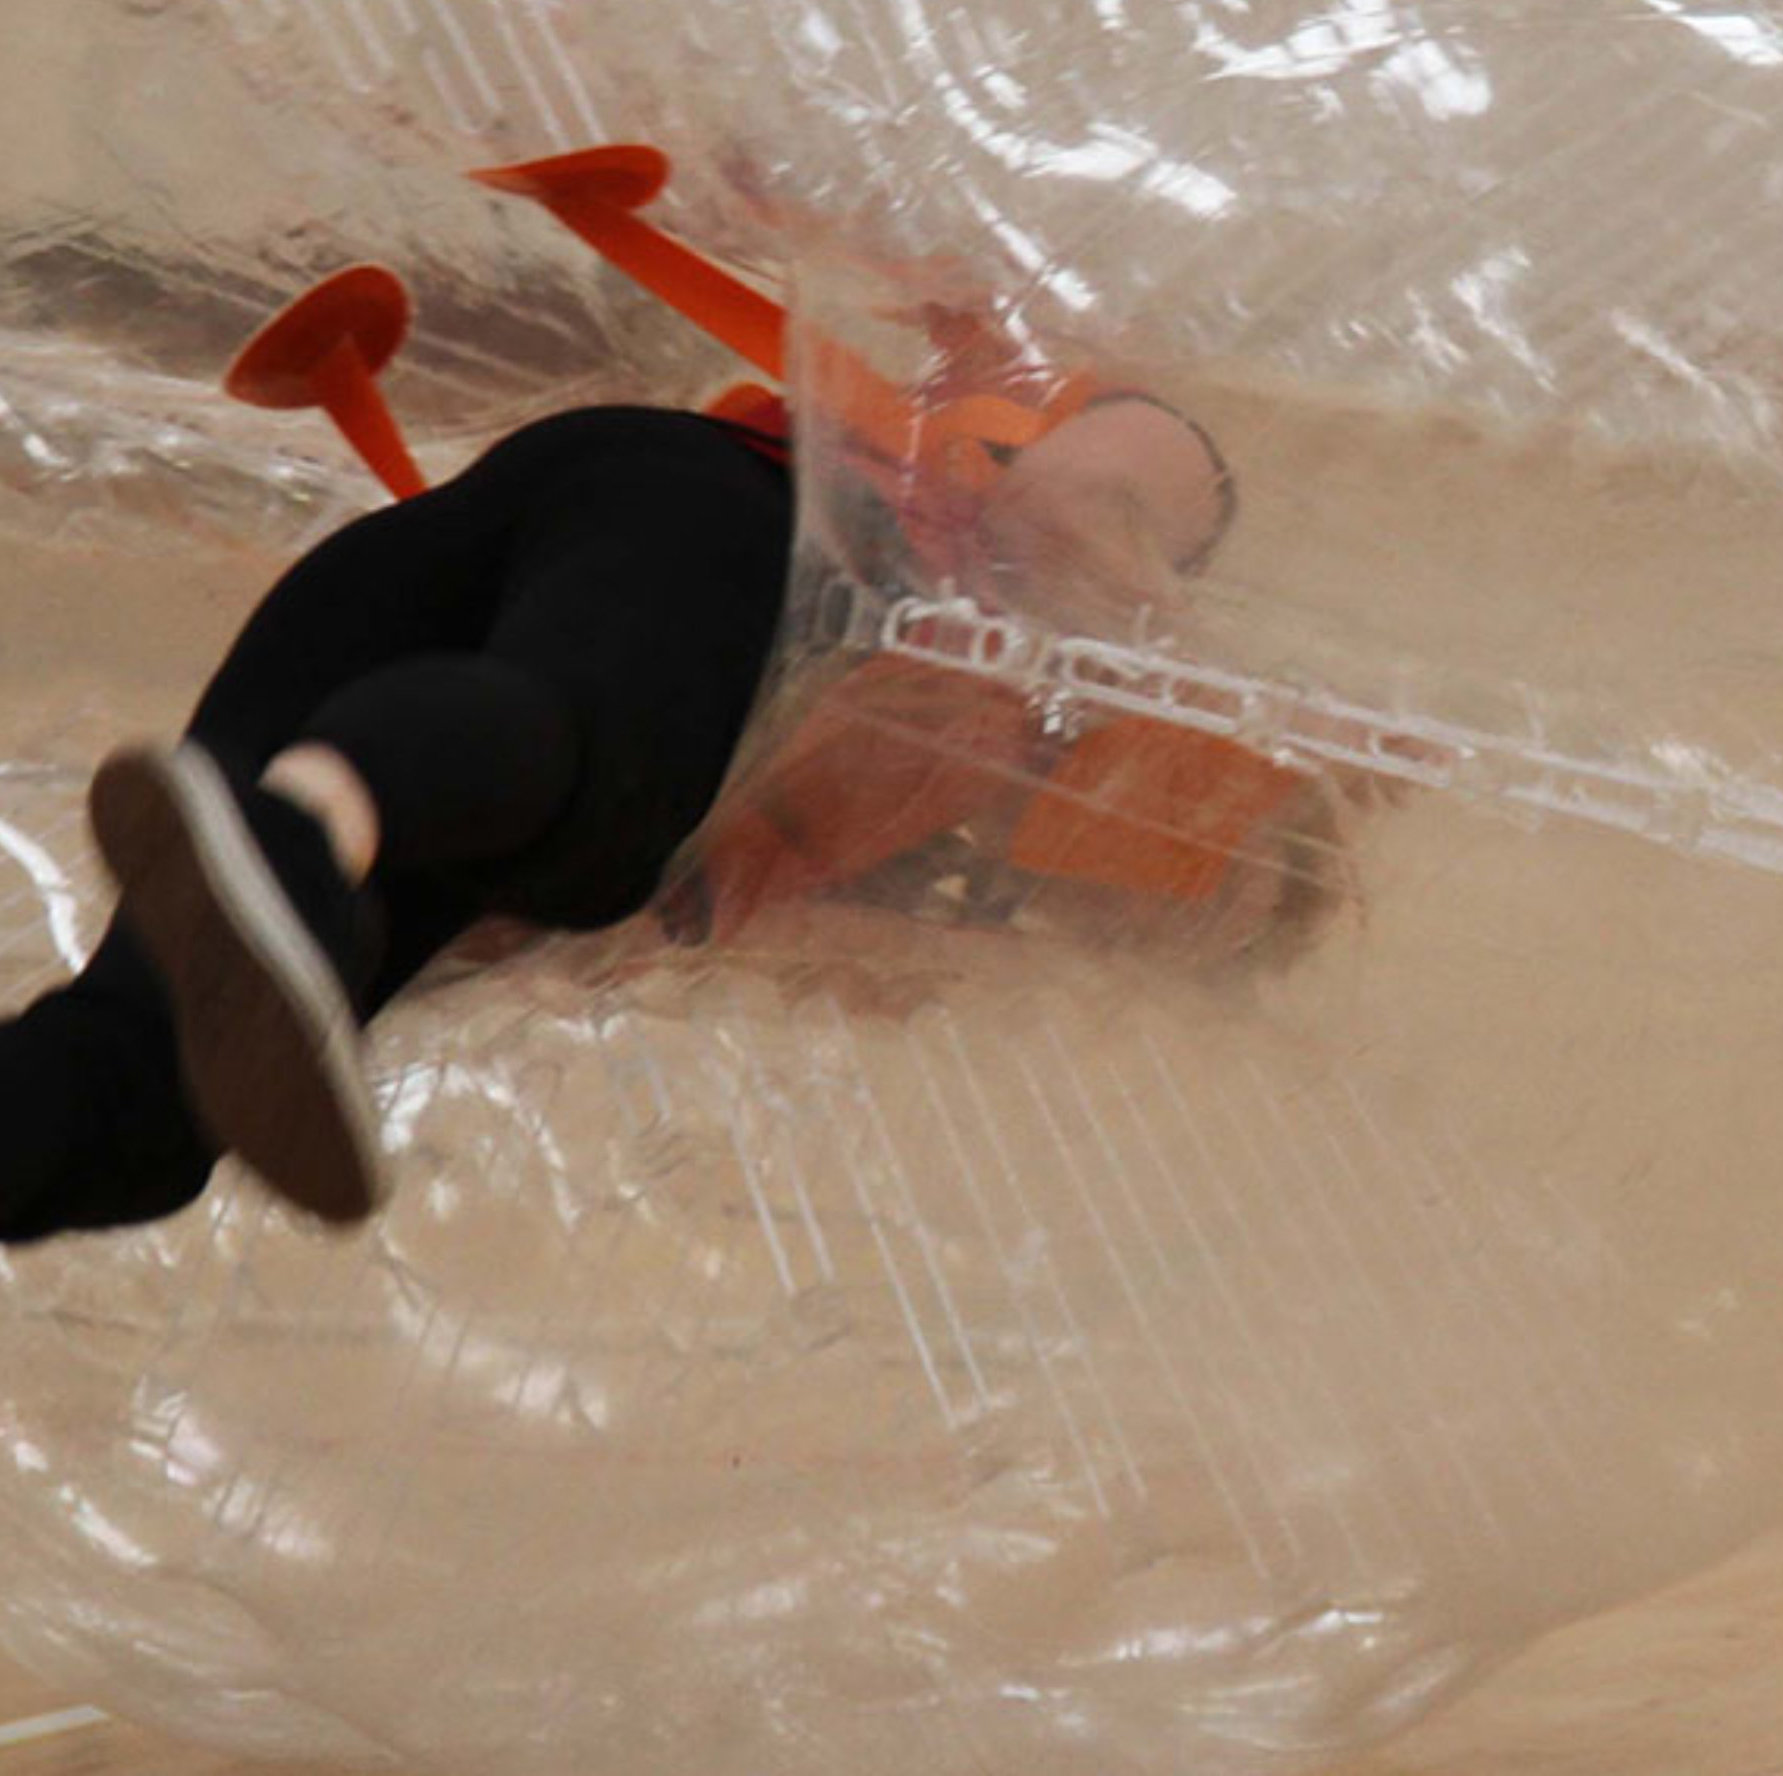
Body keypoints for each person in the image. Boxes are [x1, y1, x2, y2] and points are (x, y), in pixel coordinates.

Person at [0, 371, 1245, 1247]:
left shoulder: (952, 789)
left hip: (472, 559)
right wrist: (1176, 628)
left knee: (150, 1103)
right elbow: (1090, 485)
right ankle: (309, 820)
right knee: (590, 820)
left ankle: (286, 850)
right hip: (711, 517)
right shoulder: (990, 648)